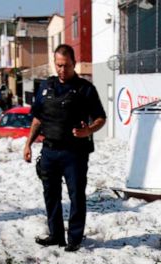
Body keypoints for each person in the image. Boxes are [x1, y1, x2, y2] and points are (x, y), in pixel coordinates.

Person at [23, 44, 106, 252]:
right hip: (49, 150)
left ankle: (74, 238)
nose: (62, 70)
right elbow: (37, 119)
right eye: (58, 65)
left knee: (76, 195)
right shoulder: (45, 87)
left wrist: (89, 131)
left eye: (66, 66)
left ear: (74, 64)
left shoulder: (85, 89)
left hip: (74, 153)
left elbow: (100, 118)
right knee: (51, 194)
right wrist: (28, 144)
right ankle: (56, 235)